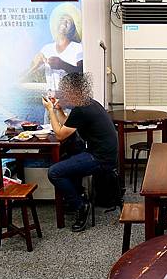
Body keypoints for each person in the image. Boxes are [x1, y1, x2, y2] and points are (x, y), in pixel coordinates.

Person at [42, 72, 117, 232]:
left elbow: (60, 134)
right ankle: (77, 196)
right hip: (104, 154)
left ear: (73, 91)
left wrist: (50, 110)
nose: (63, 94)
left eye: (65, 91)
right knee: (70, 156)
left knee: (54, 172)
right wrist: (58, 110)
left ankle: (80, 205)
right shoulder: (89, 104)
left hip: (100, 159)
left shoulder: (81, 110)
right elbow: (67, 125)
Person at [26, 4, 83, 96]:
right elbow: (32, 68)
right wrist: (35, 62)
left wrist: (62, 65)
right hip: (50, 104)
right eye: (62, 20)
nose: (64, 23)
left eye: (68, 21)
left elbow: (82, 72)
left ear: (73, 28)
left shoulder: (78, 48)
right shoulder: (46, 48)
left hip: (70, 105)